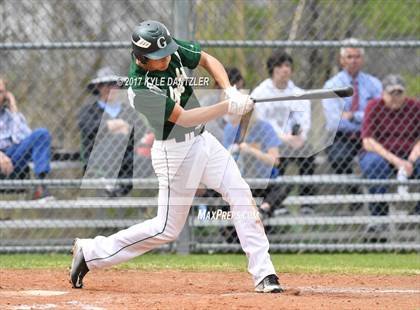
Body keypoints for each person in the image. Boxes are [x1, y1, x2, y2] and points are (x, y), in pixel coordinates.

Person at [70, 20, 282, 293]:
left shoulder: (166, 46)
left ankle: (264, 274)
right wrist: (228, 107)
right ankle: (90, 252)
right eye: (160, 58)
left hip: (204, 140)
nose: (168, 58)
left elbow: (206, 59)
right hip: (175, 152)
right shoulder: (140, 89)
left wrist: (228, 88)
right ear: (142, 59)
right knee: (166, 230)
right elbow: (183, 117)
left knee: (241, 194)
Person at [251, 50, 316, 215]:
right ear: (272, 69)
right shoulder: (260, 93)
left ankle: (306, 202)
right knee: (278, 158)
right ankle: (278, 204)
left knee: (309, 154)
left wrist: (299, 136)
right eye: (280, 66)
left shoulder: (299, 93)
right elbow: (261, 123)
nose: (285, 69)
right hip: (272, 142)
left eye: (288, 66)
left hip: (295, 141)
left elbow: (305, 120)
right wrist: (283, 138)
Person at [323, 38, 382, 210]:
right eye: (349, 56)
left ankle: (376, 202)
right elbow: (335, 122)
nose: (353, 60)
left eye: (357, 56)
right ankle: (354, 192)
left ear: (362, 60)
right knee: (338, 158)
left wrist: (352, 116)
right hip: (343, 136)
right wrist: (365, 118)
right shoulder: (332, 85)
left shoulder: (374, 83)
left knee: (376, 161)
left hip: (370, 135)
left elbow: (378, 116)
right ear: (342, 60)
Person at [77, 67, 148, 197]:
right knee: (120, 139)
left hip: (126, 158)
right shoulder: (89, 110)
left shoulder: (127, 110)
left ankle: (119, 188)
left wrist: (125, 128)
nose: (110, 88)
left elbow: (141, 130)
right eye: (105, 85)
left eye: (114, 84)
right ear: (98, 87)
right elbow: (86, 127)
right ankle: (114, 184)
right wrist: (109, 125)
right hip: (98, 157)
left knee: (146, 159)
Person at [360, 75, 420, 223]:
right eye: (390, 93)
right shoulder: (373, 106)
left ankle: (418, 214)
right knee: (374, 165)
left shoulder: (415, 106)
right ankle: (379, 217)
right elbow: (368, 141)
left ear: (404, 94)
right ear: (382, 94)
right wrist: (398, 162)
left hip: (410, 153)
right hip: (381, 154)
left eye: (399, 93)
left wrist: (411, 160)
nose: (395, 97)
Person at [0, 76, 52, 199]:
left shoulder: (10, 115)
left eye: (1, 92)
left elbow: (21, 138)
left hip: (13, 155)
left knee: (41, 134)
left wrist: (13, 107)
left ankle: (41, 185)